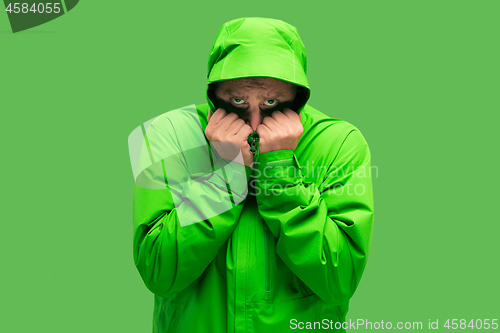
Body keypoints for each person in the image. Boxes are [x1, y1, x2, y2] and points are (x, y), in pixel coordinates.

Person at [131, 17, 374, 333]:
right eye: (237, 101)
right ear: (214, 92)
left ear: (297, 96)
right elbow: (159, 272)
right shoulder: (170, 136)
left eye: (271, 102)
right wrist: (228, 176)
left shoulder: (339, 143)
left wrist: (279, 171)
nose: (255, 123)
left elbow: (339, 280)